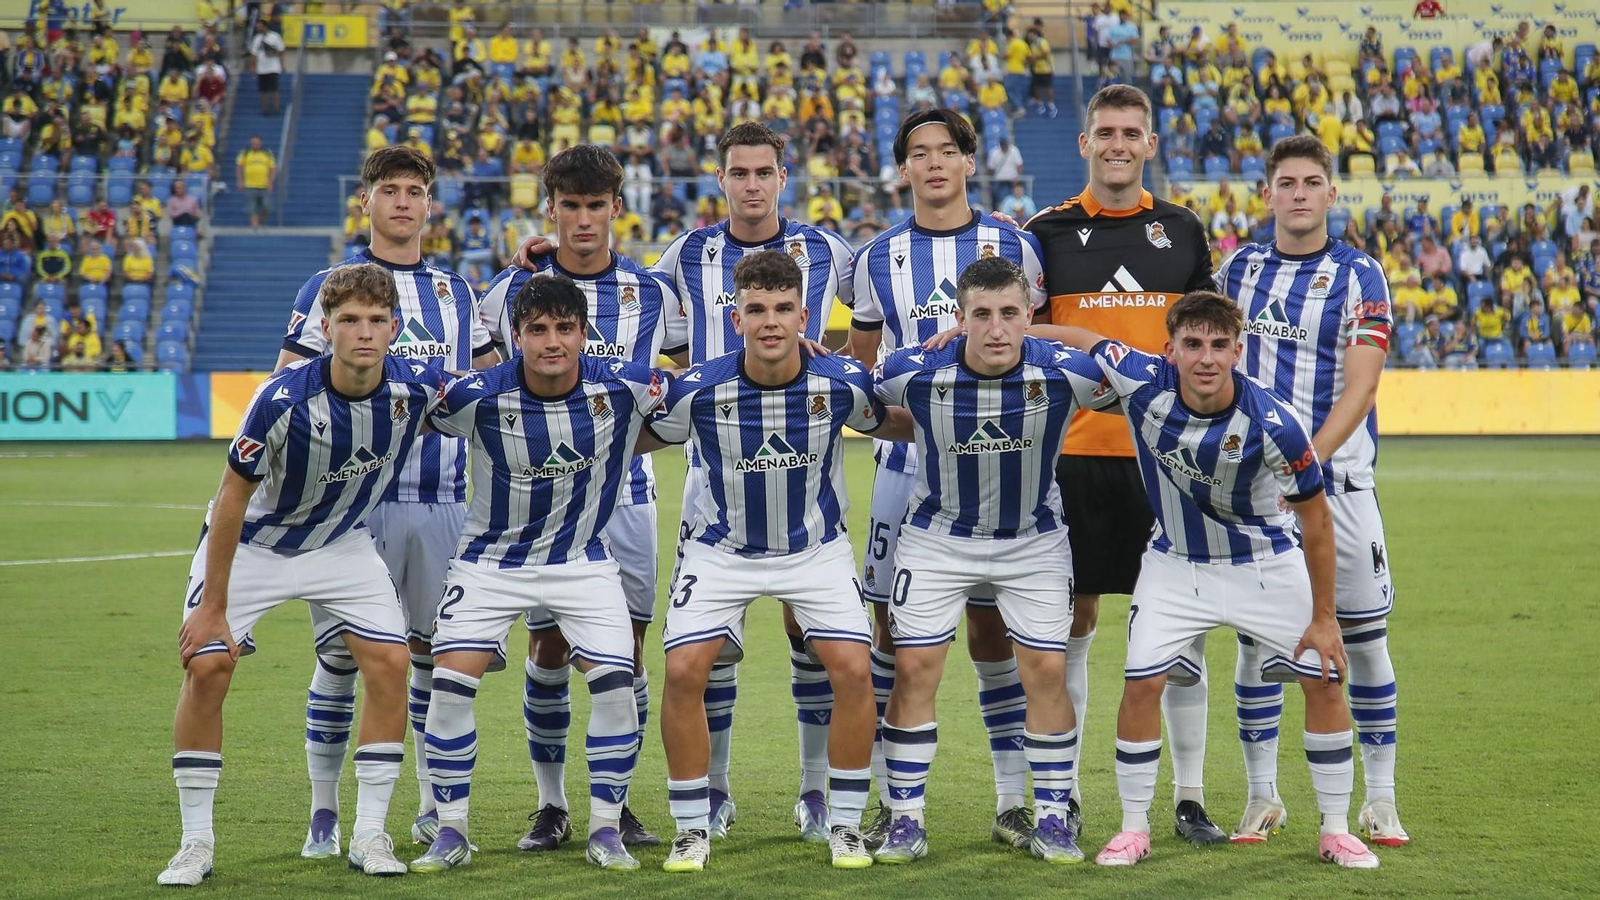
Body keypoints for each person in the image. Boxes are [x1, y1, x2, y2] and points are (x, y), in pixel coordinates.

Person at [514, 121, 854, 842]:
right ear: (721, 179)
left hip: (809, 469)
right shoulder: (682, 256)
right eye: (739, 172)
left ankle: (817, 791)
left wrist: (830, 361)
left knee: (809, 631)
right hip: (711, 472)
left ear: (783, 177)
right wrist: (545, 259)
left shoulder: (831, 252)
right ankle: (716, 790)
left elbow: (870, 330)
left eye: (765, 171)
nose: (753, 184)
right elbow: (622, 306)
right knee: (712, 645)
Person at [1027, 291, 1379, 870]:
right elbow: (1083, 340)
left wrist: (1323, 619)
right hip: (1176, 562)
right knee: (1141, 683)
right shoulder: (1141, 380)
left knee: (1323, 678)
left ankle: (1336, 830)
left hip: (1264, 562)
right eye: (1193, 345)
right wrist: (1010, 338)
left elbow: (1316, 522)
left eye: (1219, 346)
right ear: (1170, 350)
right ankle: (1134, 828)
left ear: (1239, 351)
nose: (1206, 358)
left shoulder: (1274, 423)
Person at [156, 264, 446, 885]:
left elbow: (503, 386)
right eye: (349, 321)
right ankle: (195, 843)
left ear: (394, 327)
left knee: (392, 665)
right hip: (257, 545)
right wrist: (213, 608)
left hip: (341, 545)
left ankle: (370, 834)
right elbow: (232, 497)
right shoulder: (281, 397)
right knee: (208, 665)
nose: (363, 333)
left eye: (375, 321)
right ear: (325, 328)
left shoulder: (418, 387)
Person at [277, 145, 499, 856]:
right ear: (365, 201)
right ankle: (322, 812)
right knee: (344, 657)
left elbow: (494, 390)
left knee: (435, 657)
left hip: (443, 503)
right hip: (350, 509)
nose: (403, 202)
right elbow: (284, 384)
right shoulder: (329, 286)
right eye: (389, 190)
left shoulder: (458, 294)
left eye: (415, 191)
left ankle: (435, 807)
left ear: (430, 204)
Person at [409, 275, 668, 874]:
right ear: (516, 336)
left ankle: (606, 830)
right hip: (488, 563)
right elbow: (400, 408)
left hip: (581, 561)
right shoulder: (476, 395)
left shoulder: (627, 388)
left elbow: (710, 391)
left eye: (564, 329)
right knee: (449, 686)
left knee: (616, 685)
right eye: (537, 330)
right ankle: (450, 832)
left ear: (583, 333)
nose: (552, 342)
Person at [1022, 83, 1222, 842]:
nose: (1116, 143)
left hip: (1165, 461)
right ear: (1084, 144)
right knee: (1070, 622)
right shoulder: (1045, 232)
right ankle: (1064, 793)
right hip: (1071, 455)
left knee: (1181, 627)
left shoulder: (1182, 230)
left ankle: (1190, 797)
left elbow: (1208, 340)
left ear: (1148, 144)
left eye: (1129, 132)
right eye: (1103, 131)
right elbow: (1029, 337)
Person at [869, 256, 1117, 866]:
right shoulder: (912, 371)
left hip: (1032, 541)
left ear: (1029, 314)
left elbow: (1139, 379)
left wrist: (1047, 334)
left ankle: (1054, 817)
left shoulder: (1066, 373)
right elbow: (856, 402)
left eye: (1010, 314)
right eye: (982, 315)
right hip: (936, 537)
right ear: (960, 318)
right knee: (916, 668)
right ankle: (904, 818)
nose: (997, 328)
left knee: (1045, 674)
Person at [845, 108, 1048, 850]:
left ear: (970, 161)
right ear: (902, 170)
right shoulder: (875, 259)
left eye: (947, 152)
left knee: (995, 633)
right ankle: (888, 804)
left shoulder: (1014, 247)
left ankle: (1010, 801)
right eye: (918, 155)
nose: (933, 165)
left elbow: (1040, 346)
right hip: (906, 469)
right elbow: (864, 374)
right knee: (891, 637)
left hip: (1003, 470)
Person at [645, 250, 887, 872]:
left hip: (815, 549)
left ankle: (848, 823)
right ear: (736, 318)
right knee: (682, 672)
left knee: (854, 671)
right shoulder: (697, 389)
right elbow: (635, 435)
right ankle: (691, 826)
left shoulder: (841, 383)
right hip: (719, 550)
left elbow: (897, 420)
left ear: (805, 315)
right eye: (757, 309)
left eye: (783, 309)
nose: (771, 321)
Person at [479, 144, 676, 851]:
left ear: (617, 209)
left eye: (597, 206)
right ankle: (551, 804)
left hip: (628, 495)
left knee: (626, 648)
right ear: (551, 209)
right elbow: (485, 392)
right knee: (549, 643)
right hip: (543, 500)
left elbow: (671, 389)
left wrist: (624, 444)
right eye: (571, 206)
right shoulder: (508, 292)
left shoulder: (654, 293)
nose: (584, 220)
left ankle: (615, 805)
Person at [1213, 135, 1408, 846]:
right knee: (1256, 643)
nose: (1299, 193)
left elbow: (1362, 386)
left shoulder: (1361, 275)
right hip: (1257, 488)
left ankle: (1380, 799)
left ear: (1331, 194)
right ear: (1266, 194)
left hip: (1341, 484)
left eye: (1312, 182)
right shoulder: (1238, 271)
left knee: (1361, 640)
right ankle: (1262, 795)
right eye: (1286, 182)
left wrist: (1307, 466)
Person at [235, 134, 276, 230]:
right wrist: (240, 181)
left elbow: (273, 168)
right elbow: (239, 167)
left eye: (257, 143)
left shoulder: (267, 153)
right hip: (250, 185)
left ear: (260, 143)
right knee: (252, 207)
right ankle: (255, 226)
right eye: (253, 143)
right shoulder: (245, 153)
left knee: (267, 206)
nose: (255, 145)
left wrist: (271, 181)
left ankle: (261, 221)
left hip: (264, 185)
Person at [249, 19, 284, 115]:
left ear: (265, 26)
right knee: (263, 91)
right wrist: (252, 66)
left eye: (259, 25)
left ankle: (276, 109)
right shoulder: (257, 38)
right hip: (261, 69)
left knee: (274, 90)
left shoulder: (275, 37)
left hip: (273, 67)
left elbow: (281, 50)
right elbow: (254, 53)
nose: (258, 27)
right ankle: (265, 110)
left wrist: (273, 53)